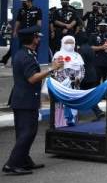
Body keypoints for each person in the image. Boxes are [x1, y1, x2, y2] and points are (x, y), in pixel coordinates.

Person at [3, 26, 63, 175]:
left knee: (25, 132)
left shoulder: (26, 53)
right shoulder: (25, 56)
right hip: (25, 100)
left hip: (24, 99)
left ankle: (24, 160)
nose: (39, 39)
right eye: (37, 37)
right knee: (27, 132)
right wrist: (52, 69)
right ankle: (12, 164)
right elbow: (32, 78)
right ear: (31, 39)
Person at [52, 35, 86, 127]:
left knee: (74, 103)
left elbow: (82, 69)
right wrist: (65, 81)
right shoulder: (58, 54)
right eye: (67, 42)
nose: (70, 45)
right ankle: (61, 124)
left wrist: (78, 79)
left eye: (72, 42)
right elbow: (55, 70)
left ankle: (74, 123)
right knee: (62, 105)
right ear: (63, 43)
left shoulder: (77, 55)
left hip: (75, 85)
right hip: (63, 85)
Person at [2, 0, 42, 65]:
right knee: (23, 48)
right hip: (23, 33)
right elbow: (18, 22)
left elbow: (39, 23)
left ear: (29, 2)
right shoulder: (21, 10)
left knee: (34, 48)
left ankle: (33, 62)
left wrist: (37, 31)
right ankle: (23, 62)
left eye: (24, 2)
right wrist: (15, 31)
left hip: (33, 33)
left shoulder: (37, 10)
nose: (23, 3)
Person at [77, 33, 105, 121]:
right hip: (92, 73)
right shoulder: (90, 48)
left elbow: (81, 63)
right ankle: (98, 111)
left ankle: (98, 111)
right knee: (89, 94)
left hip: (85, 76)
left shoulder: (81, 49)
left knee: (86, 95)